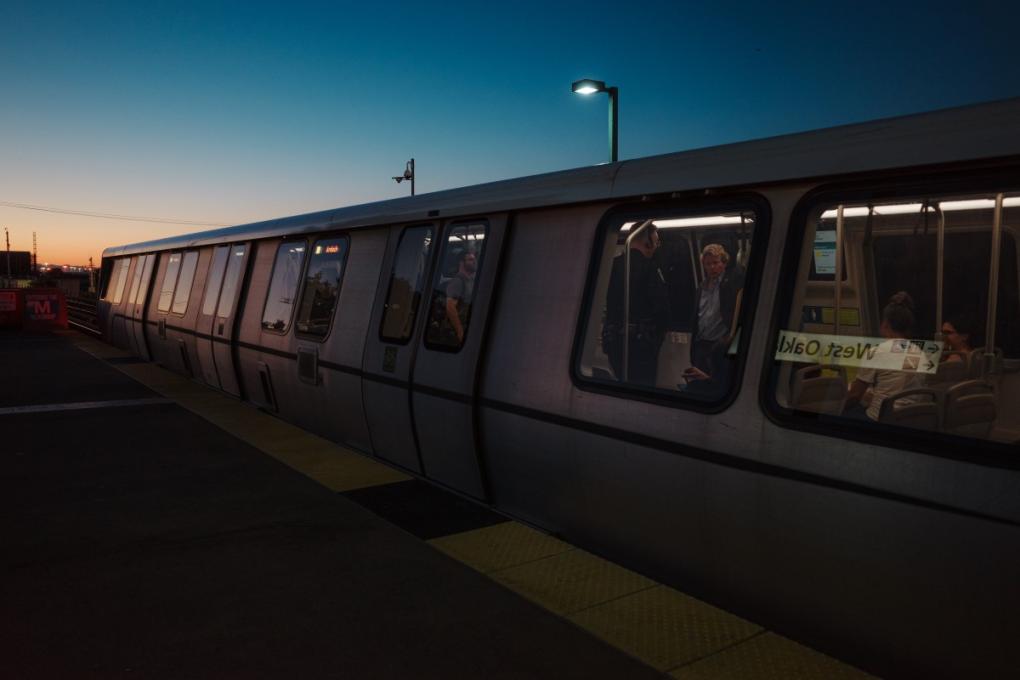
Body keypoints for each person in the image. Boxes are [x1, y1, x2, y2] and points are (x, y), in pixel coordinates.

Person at [604, 222, 669, 386]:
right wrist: (657, 337)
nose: (657, 246)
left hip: (614, 341)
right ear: (647, 242)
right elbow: (661, 308)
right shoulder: (650, 268)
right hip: (642, 344)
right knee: (643, 386)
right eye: (656, 241)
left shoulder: (611, 266)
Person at [845, 291, 924, 421]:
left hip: (880, 419)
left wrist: (836, 407)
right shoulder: (920, 352)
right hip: (909, 418)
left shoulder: (877, 352)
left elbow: (854, 396)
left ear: (885, 323)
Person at [690, 243, 744, 377]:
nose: (712, 267)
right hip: (701, 343)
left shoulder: (731, 284)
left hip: (719, 345)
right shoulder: (702, 287)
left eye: (716, 262)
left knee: (717, 381)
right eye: (708, 264)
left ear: (724, 263)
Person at [444, 250, 477, 344]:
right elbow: (450, 307)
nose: (474, 262)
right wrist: (460, 331)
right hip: (455, 333)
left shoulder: (470, 281)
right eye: (470, 259)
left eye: (474, 259)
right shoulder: (458, 281)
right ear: (462, 263)